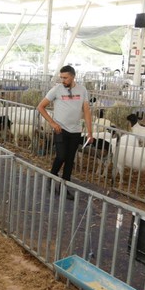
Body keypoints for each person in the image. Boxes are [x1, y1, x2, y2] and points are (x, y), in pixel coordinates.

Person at [37, 65, 93, 198]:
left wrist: (90, 132)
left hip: (76, 130)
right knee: (61, 156)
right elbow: (40, 106)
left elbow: (86, 110)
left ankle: (64, 187)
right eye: (61, 77)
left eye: (65, 77)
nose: (63, 80)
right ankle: (52, 176)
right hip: (60, 129)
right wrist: (52, 123)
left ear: (73, 76)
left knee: (69, 160)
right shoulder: (56, 89)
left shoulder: (82, 90)